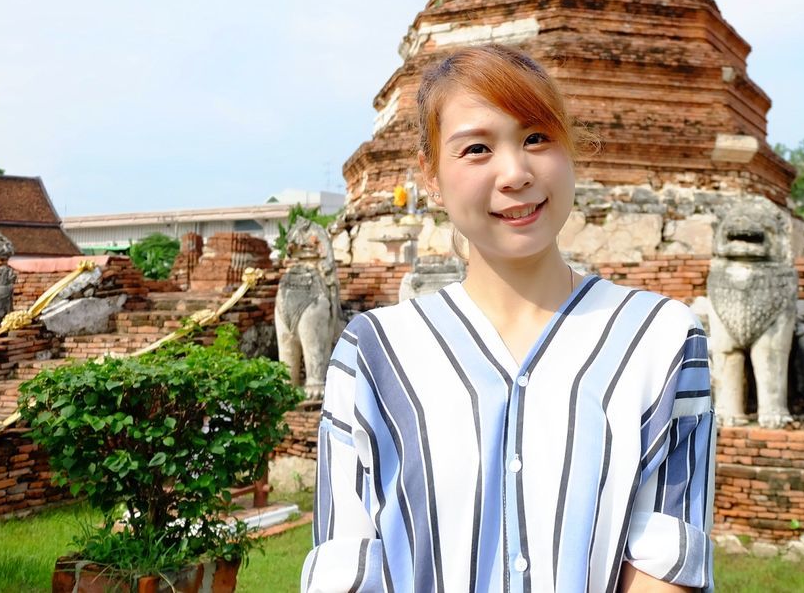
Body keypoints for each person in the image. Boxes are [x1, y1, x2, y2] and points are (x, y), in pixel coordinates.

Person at [302, 45, 715, 592]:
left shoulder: (660, 340)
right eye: (476, 149)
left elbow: (667, 567)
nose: (516, 173)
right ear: (431, 176)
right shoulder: (375, 354)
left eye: (537, 138)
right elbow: (346, 567)